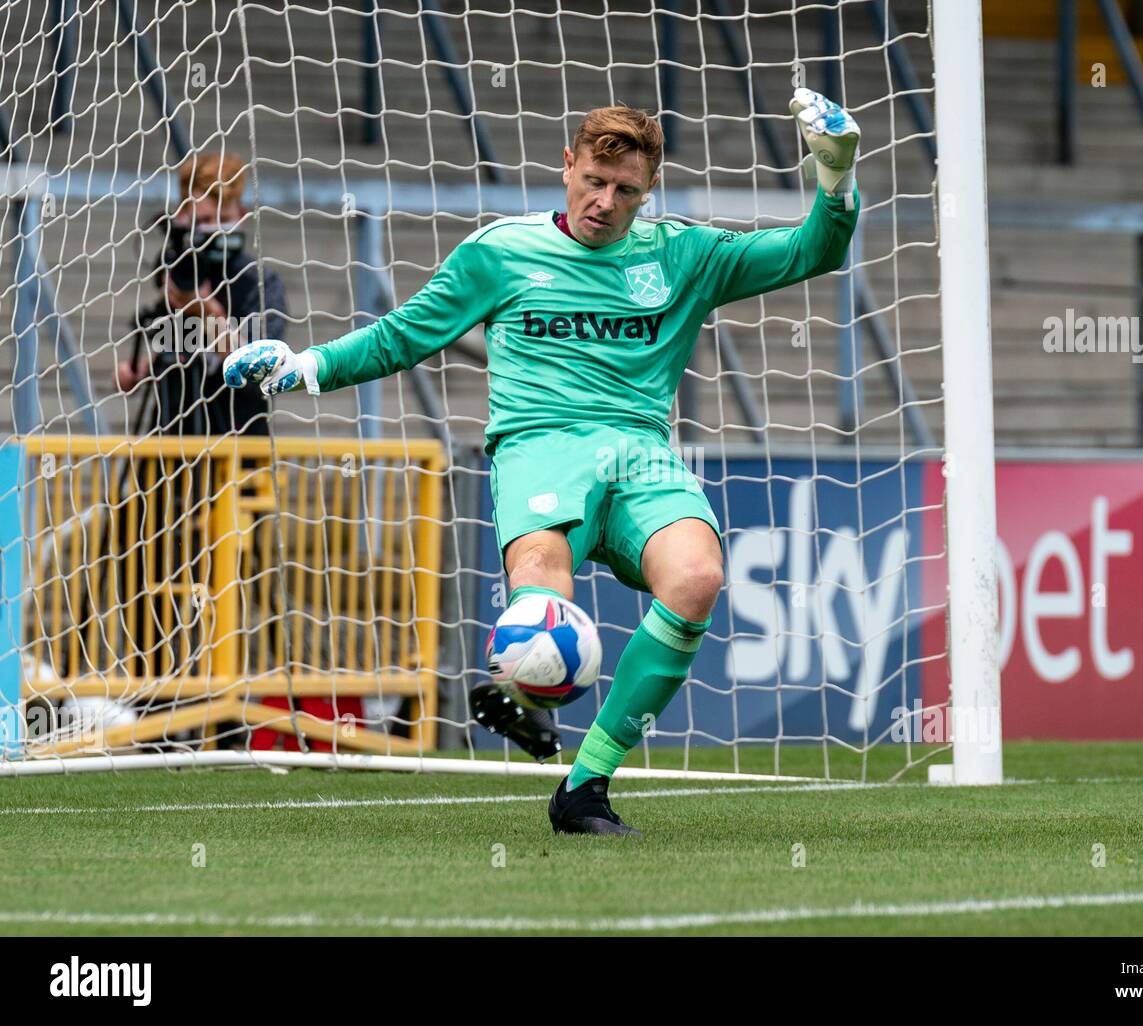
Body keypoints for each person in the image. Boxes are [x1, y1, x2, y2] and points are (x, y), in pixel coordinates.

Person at [223, 88, 861, 836]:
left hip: (642, 454)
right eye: (594, 180)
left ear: (647, 193)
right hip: (540, 447)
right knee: (540, 598)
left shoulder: (683, 255)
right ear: (568, 166)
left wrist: (836, 179)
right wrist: (307, 367)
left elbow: (812, 251)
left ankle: (583, 786)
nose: (605, 202)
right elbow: (405, 334)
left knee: (698, 578)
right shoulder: (501, 252)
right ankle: (526, 693)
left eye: (625, 191)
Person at [119, 151, 289, 437]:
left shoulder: (258, 282)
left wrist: (209, 313)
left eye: (223, 219)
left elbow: (257, 374)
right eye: (203, 220)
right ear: (182, 216)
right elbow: (182, 349)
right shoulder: (180, 273)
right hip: (173, 443)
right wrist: (141, 371)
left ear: (241, 216)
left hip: (238, 446)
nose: (212, 230)